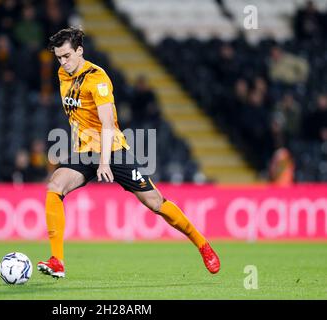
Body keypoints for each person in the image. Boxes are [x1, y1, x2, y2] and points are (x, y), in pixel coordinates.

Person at [37, 27, 220, 278]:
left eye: (67, 56)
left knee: (155, 203)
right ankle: (57, 260)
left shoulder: (97, 79)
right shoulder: (62, 73)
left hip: (112, 150)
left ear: (80, 51)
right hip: (84, 150)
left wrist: (103, 163)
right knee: (55, 186)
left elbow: (108, 125)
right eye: (59, 57)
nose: (63, 62)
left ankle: (202, 244)